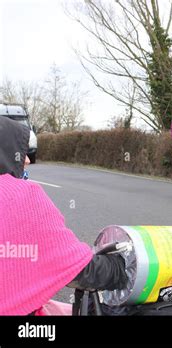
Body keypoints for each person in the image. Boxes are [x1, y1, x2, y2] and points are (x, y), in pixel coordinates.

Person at [0, 116, 127, 315]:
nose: (27, 159)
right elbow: (82, 271)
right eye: (20, 149)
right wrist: (122, 267)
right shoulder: (20, 196)